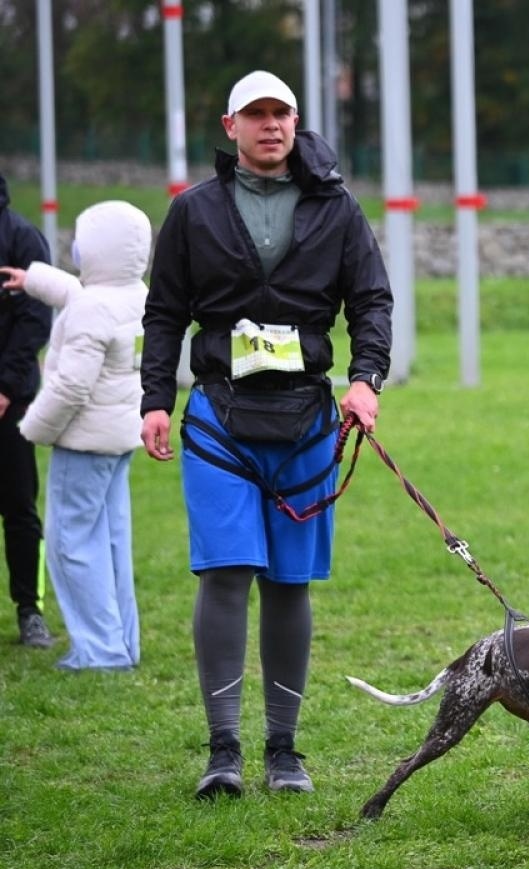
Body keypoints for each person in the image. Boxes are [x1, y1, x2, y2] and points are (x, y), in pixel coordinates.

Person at [141, 70, 392, 799]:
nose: (271, 124)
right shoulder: (193, 210)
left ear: (296, 120)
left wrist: (366, 379)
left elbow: (371, 300)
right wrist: (155, 399)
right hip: (219, 417)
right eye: (256, 114)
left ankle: (284, 753)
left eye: (281, 112)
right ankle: (223, 752)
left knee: (288, 582)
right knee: (224, 574)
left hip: (307, 416)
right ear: (231, 127)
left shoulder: (338, 208)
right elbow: (165, 312)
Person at [2, 200, 151, 671]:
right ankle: (122, 642)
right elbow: (84, 296)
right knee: (112, 543)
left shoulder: (92, 309)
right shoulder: (136, 295)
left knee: (72, 546)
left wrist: (32, 428)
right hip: (118, 439)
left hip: (84, 442)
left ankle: (99, 651)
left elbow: (70, 387)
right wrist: (33, 279)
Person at [0, 170, 55, 651]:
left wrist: (5, 387)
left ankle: (29, 611)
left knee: (19, 508)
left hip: (9, 403)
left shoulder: (20, 236)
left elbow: (35, 318)